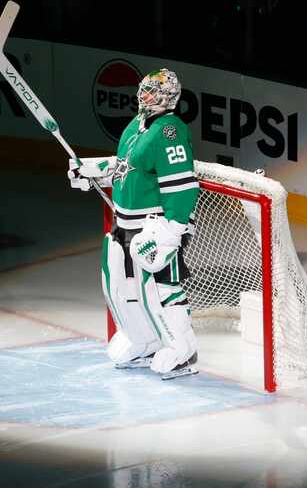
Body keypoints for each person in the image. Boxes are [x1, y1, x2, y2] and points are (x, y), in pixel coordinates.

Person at [68, 68, 200, 380]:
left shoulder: (170, 130)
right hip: (123, 224)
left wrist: (173, 230)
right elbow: (126, 166)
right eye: (144, 89)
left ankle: (184, 350)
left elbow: (182, 184)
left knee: (161, 289)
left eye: (152, 91)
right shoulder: (136, 125)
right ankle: (144, 342)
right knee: (118, 286)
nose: (144, 95)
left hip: (154, 226)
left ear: (168, 97)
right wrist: (93, 171)